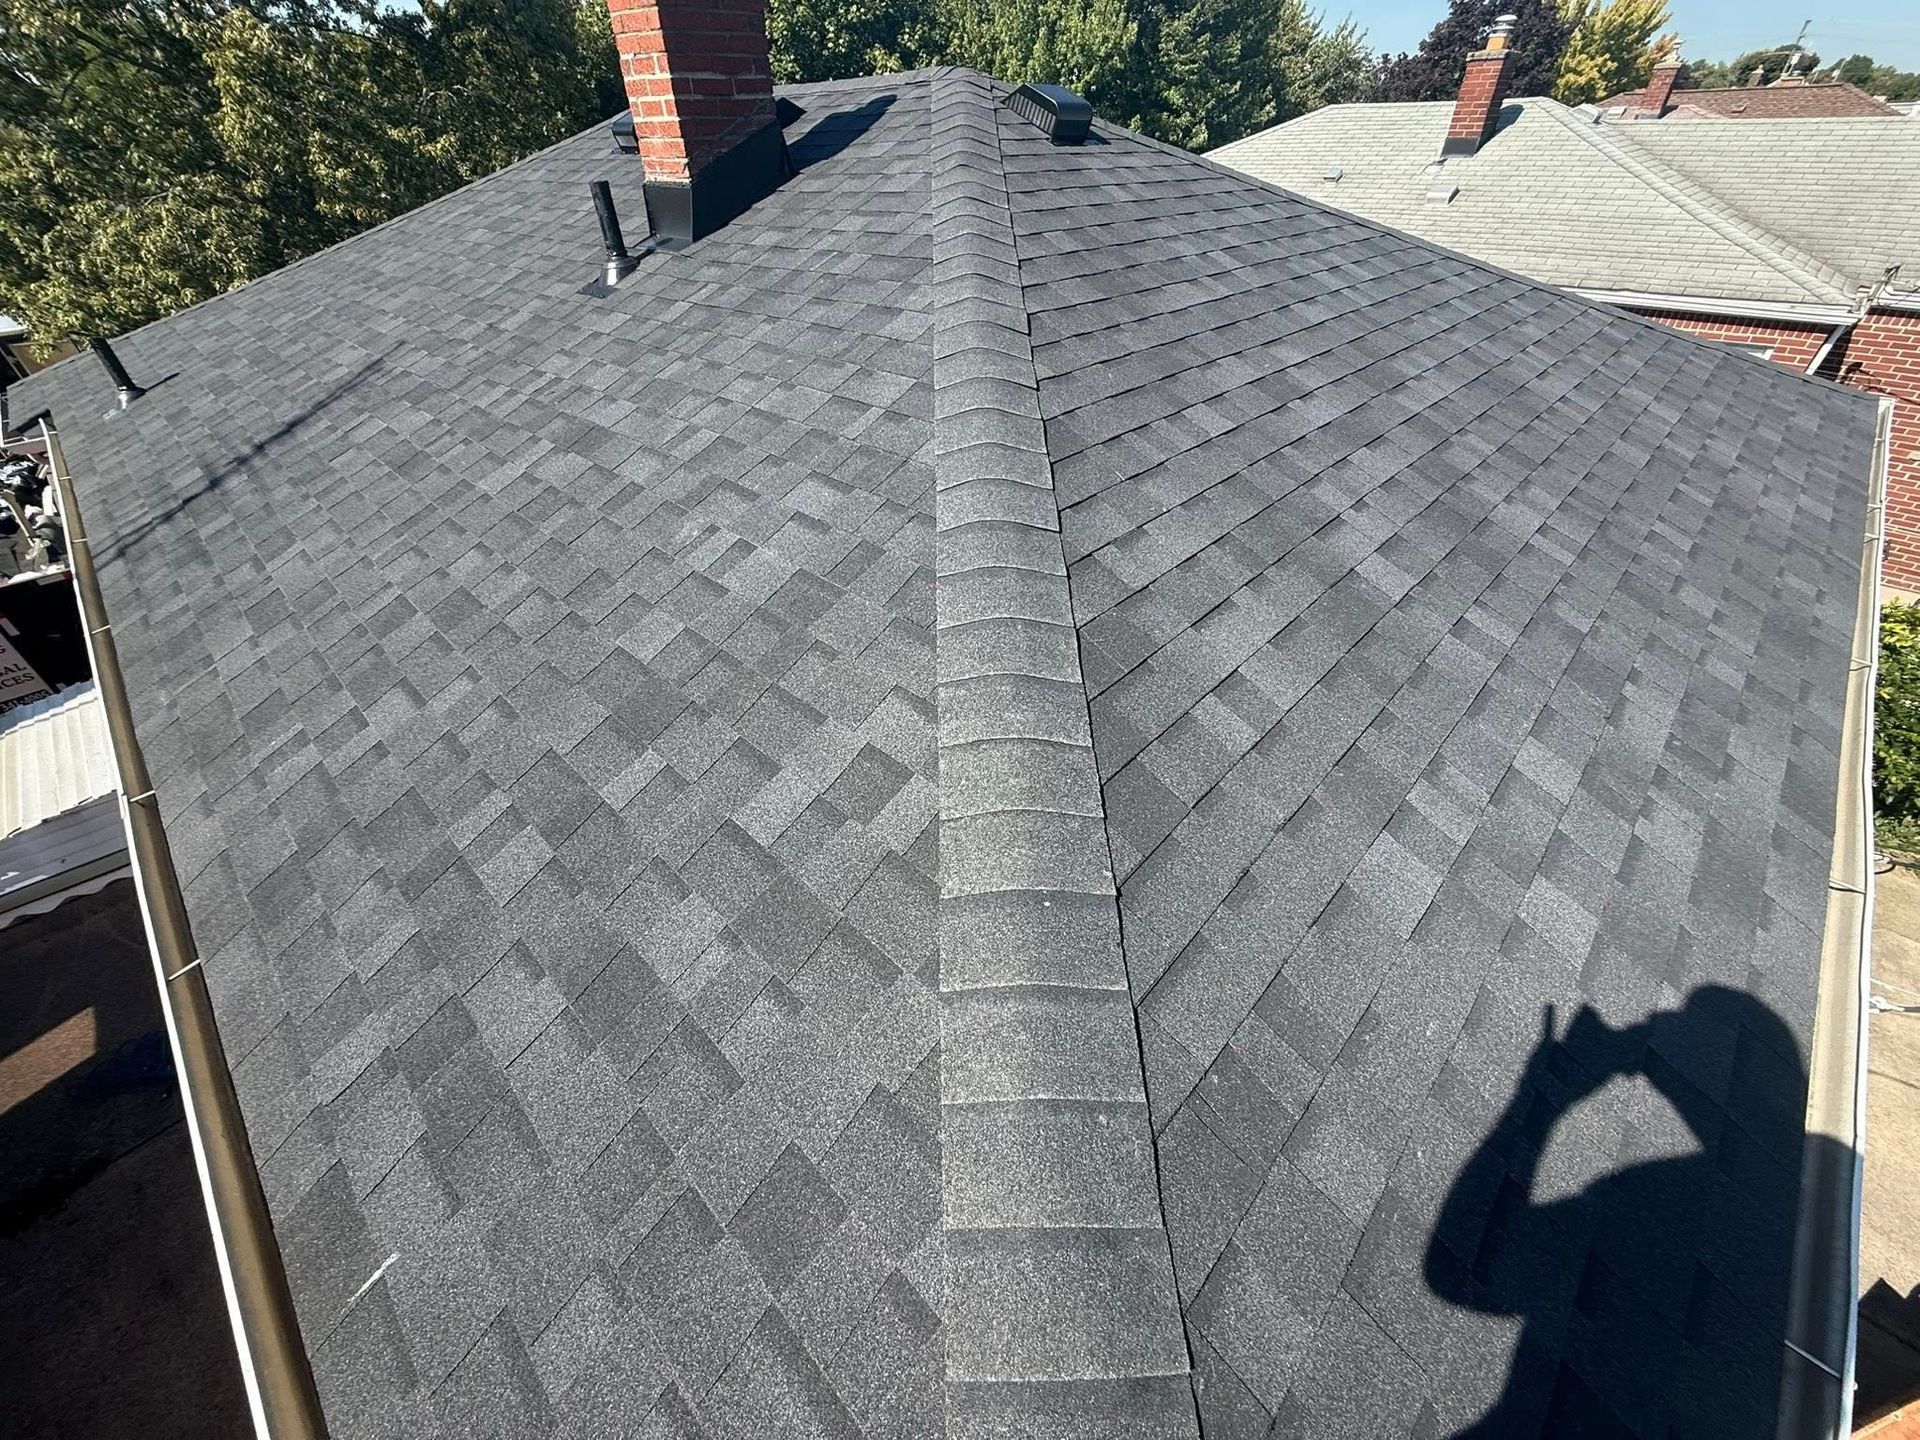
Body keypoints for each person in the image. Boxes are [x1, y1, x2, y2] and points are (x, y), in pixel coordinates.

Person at [1425, 987, 1808, 1437]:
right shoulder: (1790, 1224)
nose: (1660, 1020)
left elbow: (1458, 1269)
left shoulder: (1669, 1191)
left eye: (1678, 1017)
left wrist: (1541, 1102)